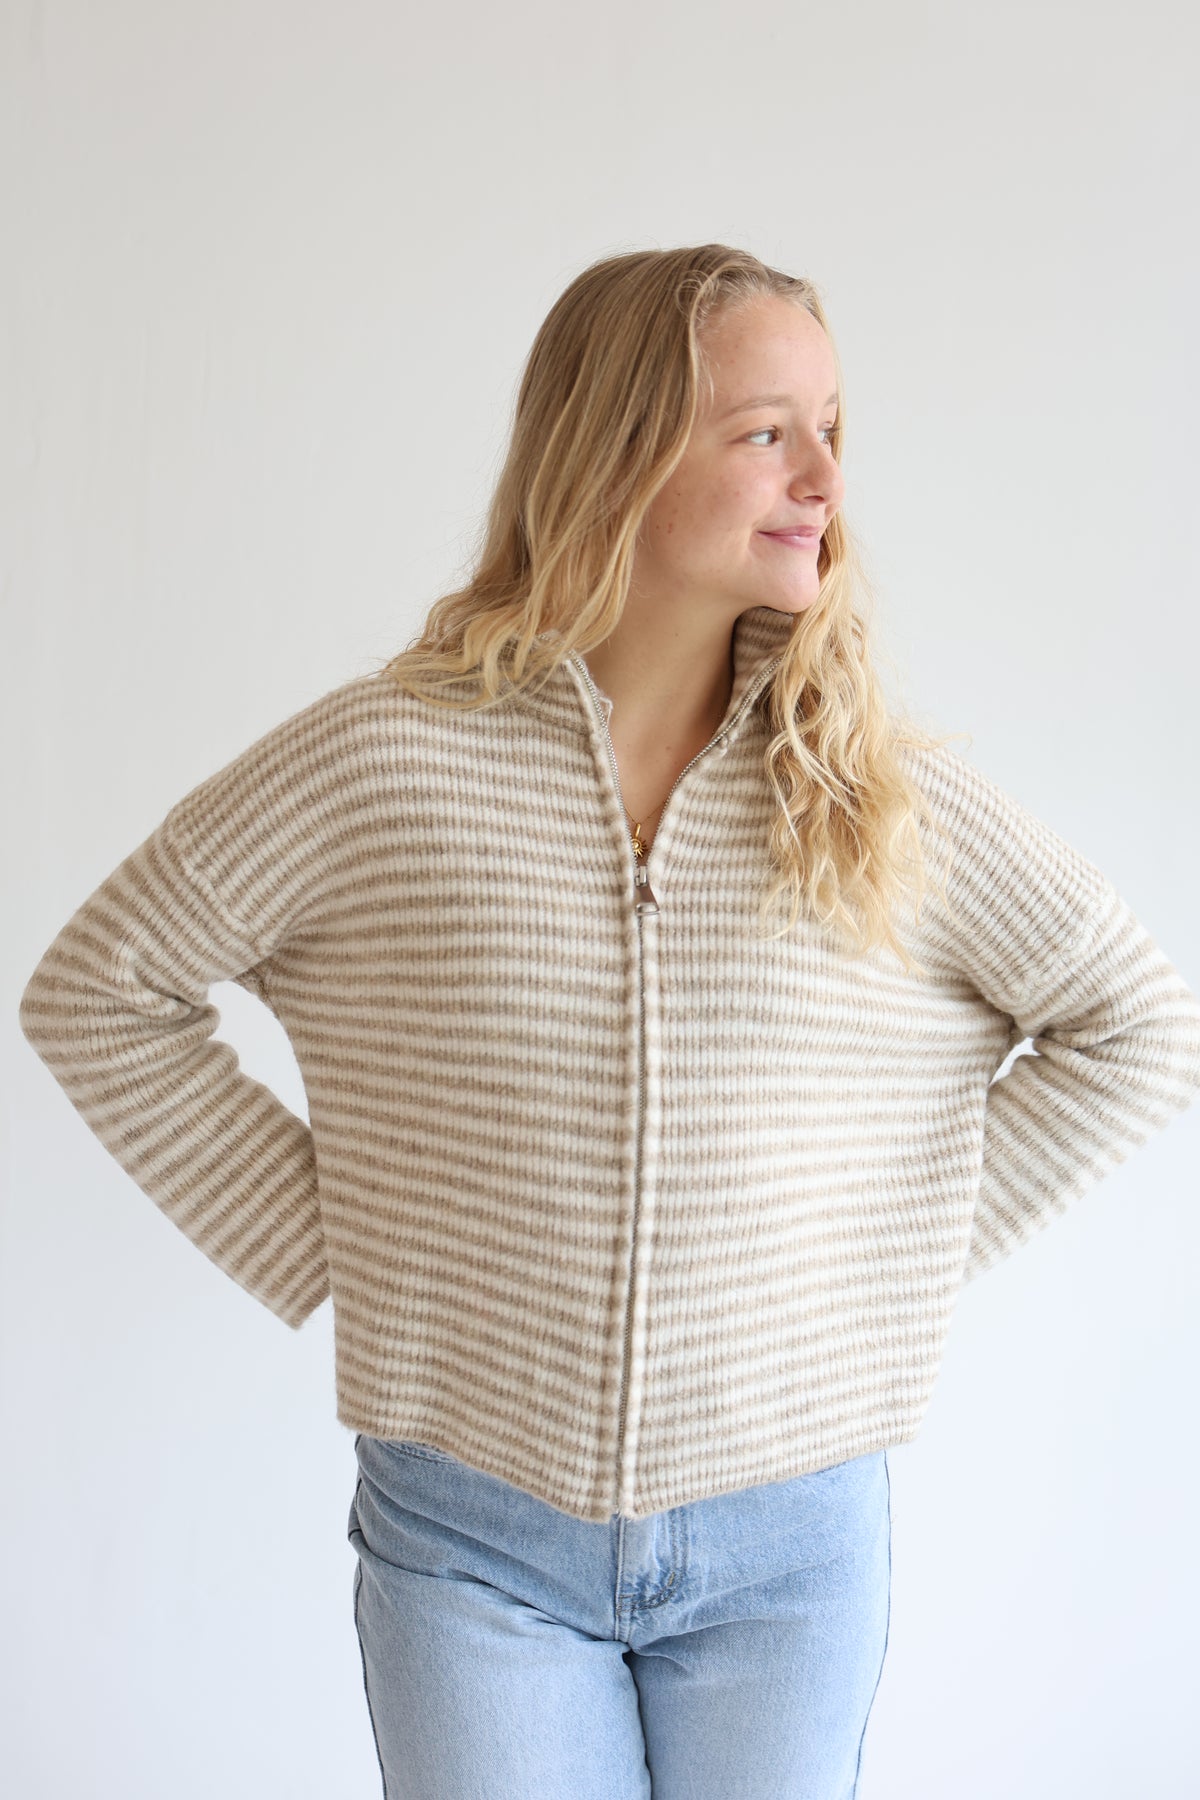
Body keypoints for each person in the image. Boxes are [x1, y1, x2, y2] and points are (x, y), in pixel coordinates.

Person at [18, 243, 1200, 1800]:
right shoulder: (388, 756)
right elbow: (101, 992)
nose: (824, 478)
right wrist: (346, 1243)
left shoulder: (870, 788)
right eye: (766, 431)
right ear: (617, 450)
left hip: (790, 1544)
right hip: (472, 1536)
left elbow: (1141, 1026)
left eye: (834, 428)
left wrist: (860, 1265)